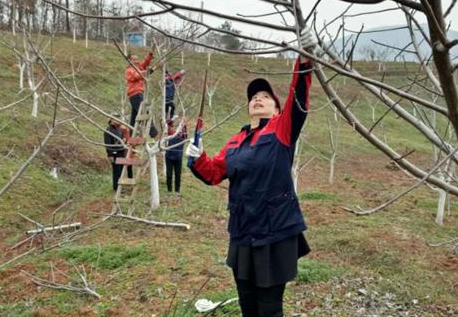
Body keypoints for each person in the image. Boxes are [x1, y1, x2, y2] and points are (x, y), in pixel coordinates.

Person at [186, 30, 317, 317]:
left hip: (274, 232)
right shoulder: (235, 141)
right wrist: (197, 160)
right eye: (254, 97)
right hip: (243, 233)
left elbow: (299, 100)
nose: (258, 99)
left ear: (276, 108)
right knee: (247, 304)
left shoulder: (281, 130)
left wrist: (304, 59)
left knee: (269, 308)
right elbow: (214, 173)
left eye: (265, 96)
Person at [126, 48, 154, 130]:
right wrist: (147, 72)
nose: (137, 61)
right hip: (135, 94)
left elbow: (145, 63)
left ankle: (131, 134)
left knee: (134, 117)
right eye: (134, 60)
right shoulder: (129, 70)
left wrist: (150, 55)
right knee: (144, 113)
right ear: (130, 61)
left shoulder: (138, 67)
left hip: (138, 94)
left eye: (137, 59)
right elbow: (137, 76)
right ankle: (154, 133)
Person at [104, 115, 133, 191]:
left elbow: (122, 138)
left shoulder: (119, 129)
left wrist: (123, 140)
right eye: (115, 119)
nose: (117, 120)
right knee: (116, 171)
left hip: (121, 151)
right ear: (111, 120)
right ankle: (116, 187)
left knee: (121, 171)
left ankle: (120, 186)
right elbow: (107, 144)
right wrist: (110, 155)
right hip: (114, 153)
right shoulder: (108, 130)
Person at [164, 117, 188, 197]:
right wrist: (173, 119)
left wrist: (183, 123)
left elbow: (185, 131)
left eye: (181, 128)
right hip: (169, 157)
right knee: (169, 174)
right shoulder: (171, 133)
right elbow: (167, 125)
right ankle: (169, 191)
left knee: (178, 174)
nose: (179, 129)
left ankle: (177, 192)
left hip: (178, 158)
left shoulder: (183, 136)